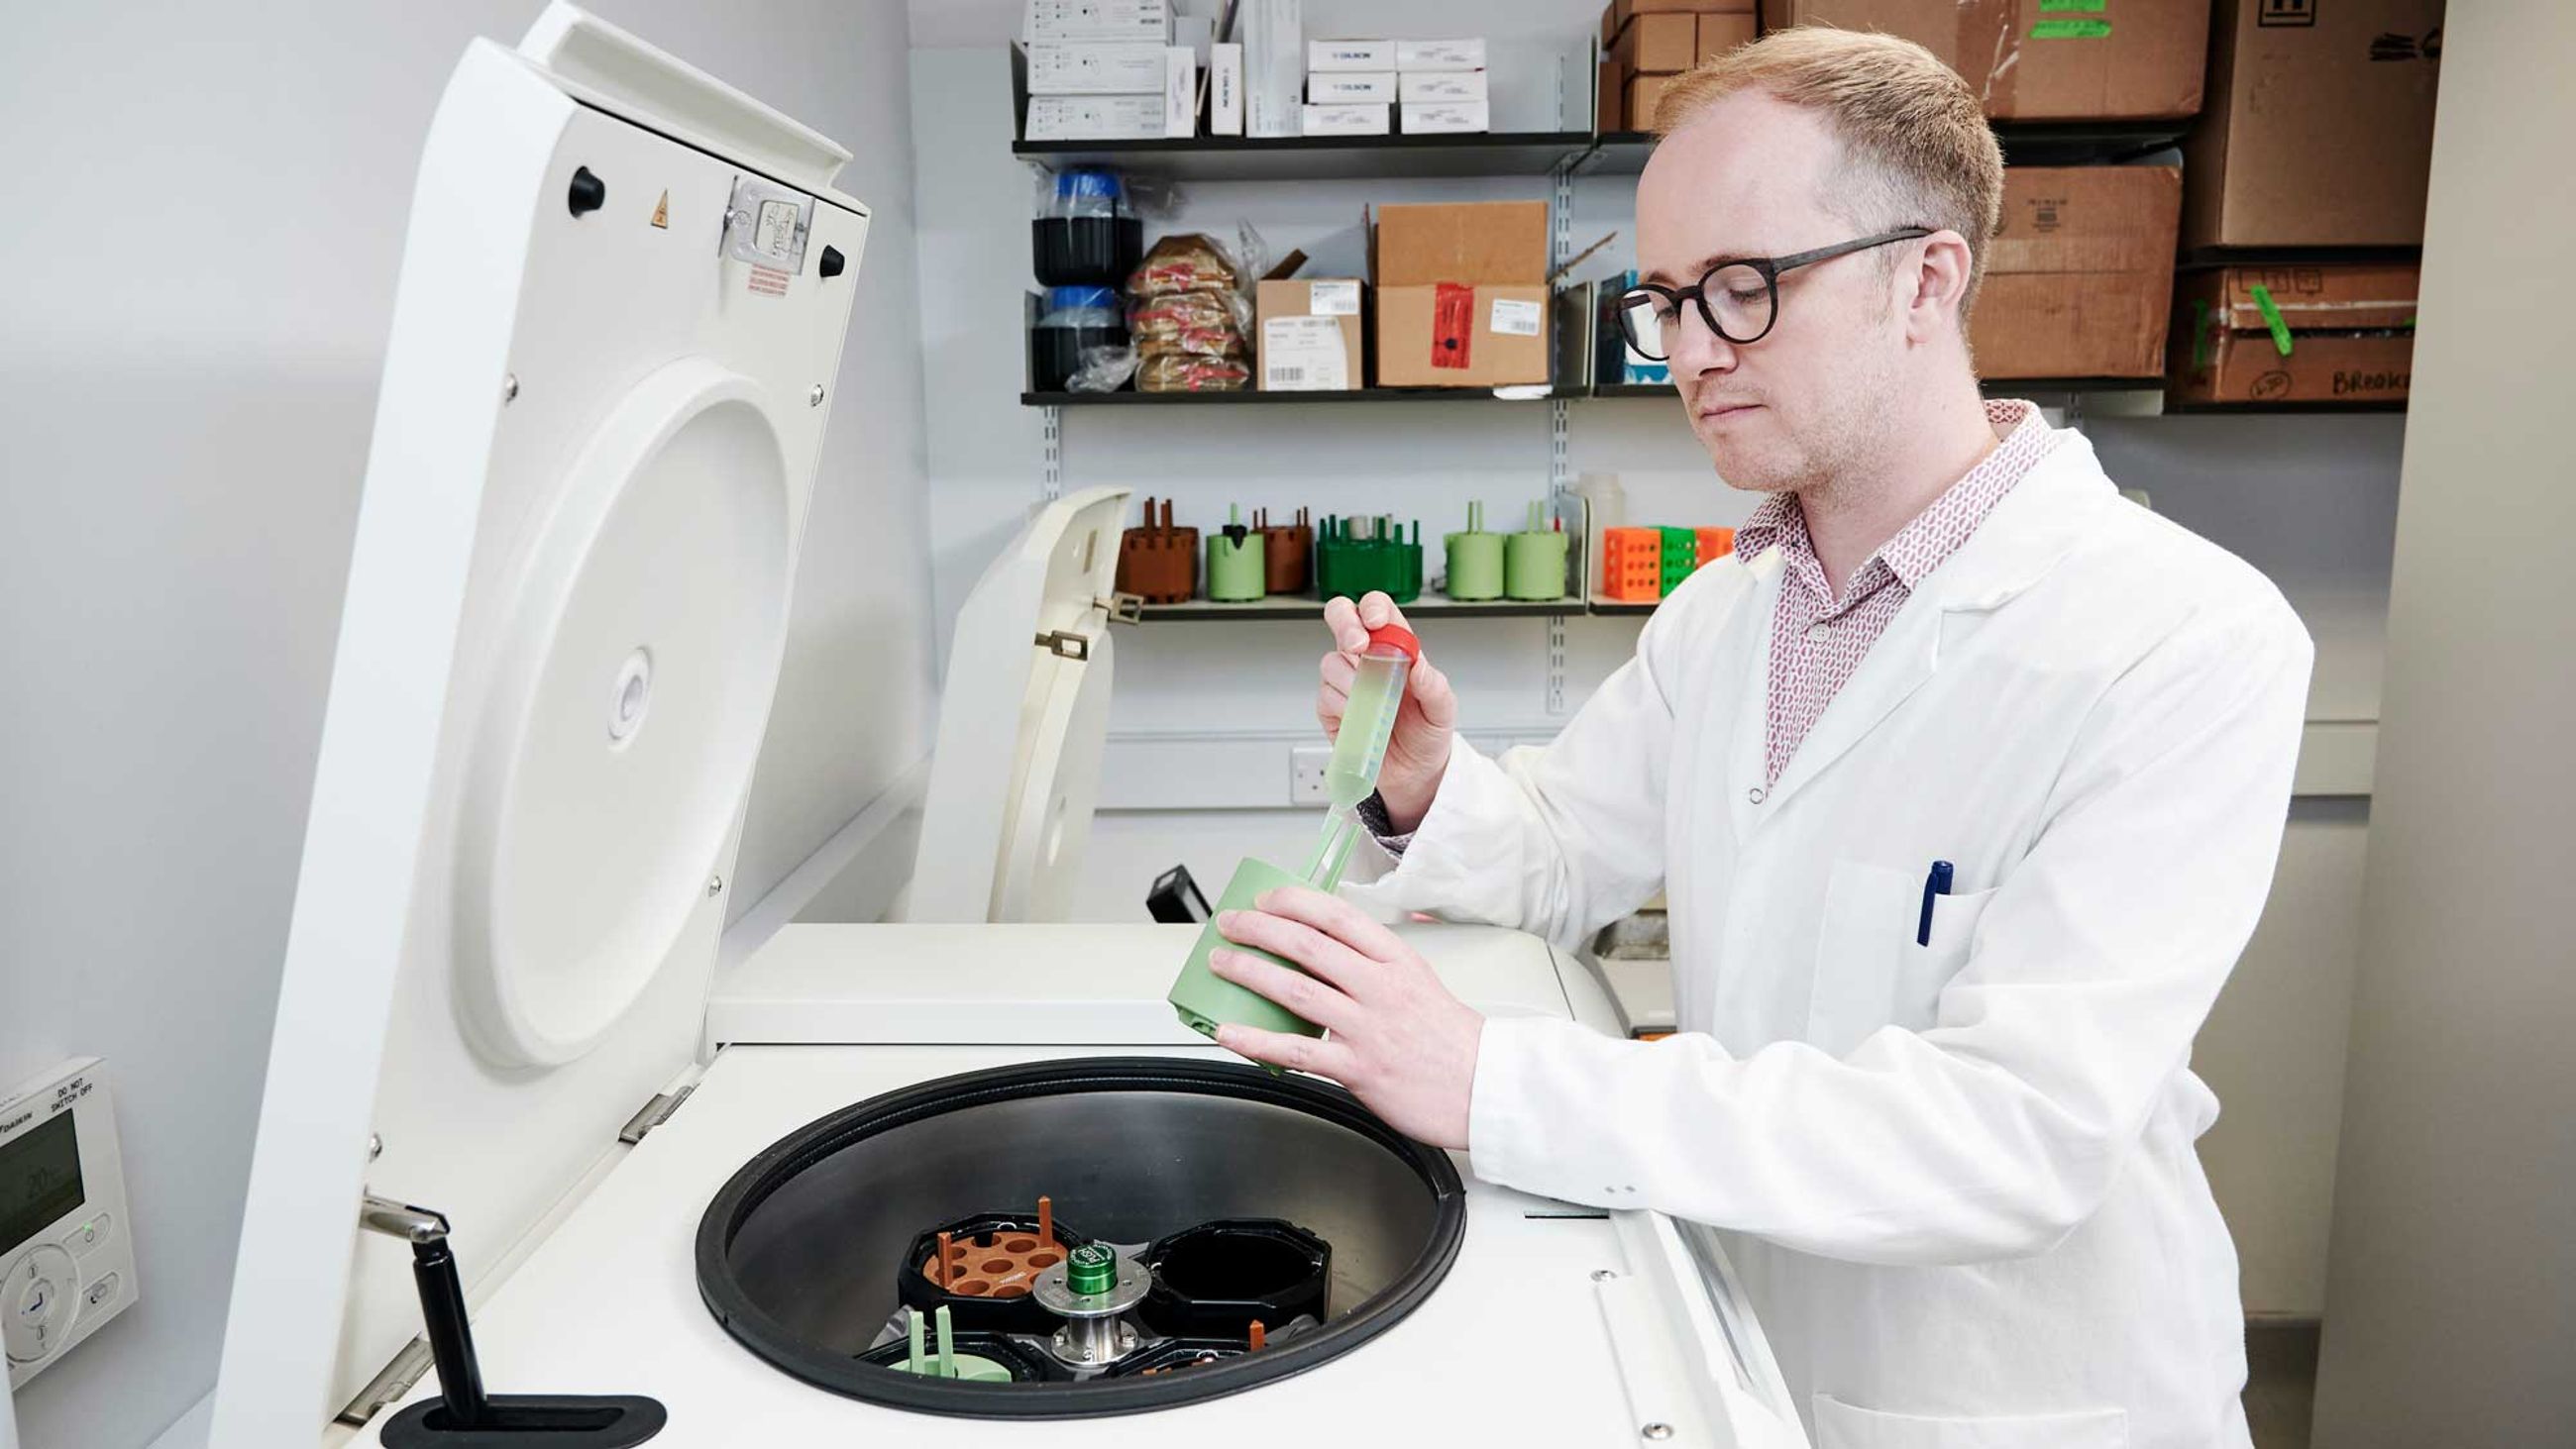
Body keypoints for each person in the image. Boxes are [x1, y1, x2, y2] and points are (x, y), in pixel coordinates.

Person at [1202, 27, 2311, 1448]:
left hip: (2014, 1400)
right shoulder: (1728, 612)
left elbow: (2019, 1133)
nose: (1689, 354)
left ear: (1927, 277)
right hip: (1736, 1345)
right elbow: (1559, 857)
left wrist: (1500, 1079)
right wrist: (1423, 787)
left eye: (1745, 290)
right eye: (1666, 300)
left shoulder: (2184, 639)